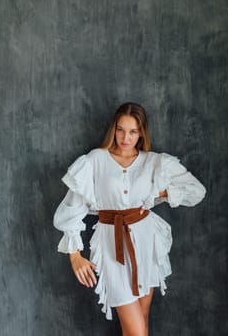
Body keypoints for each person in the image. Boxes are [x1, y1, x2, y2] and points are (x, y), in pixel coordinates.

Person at [53, 102, 206, 336]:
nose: (126, 137)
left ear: (141, 132)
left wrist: (162, 193)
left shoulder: (154, 162)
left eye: (133, 131)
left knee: (139, 327)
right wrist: (75, 256)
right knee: (137, 332)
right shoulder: (95, 160)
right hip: (111, 246)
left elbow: (197, 191)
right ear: (113, 129)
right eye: (121, 129)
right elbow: (73, 206)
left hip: (146, 244)